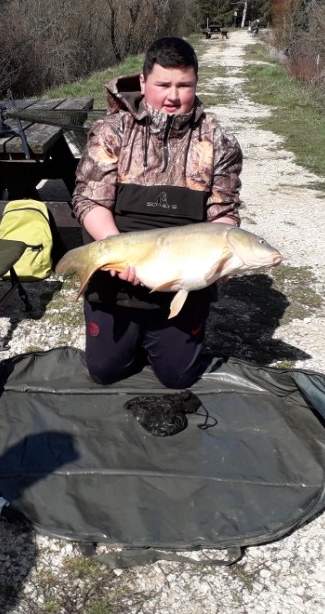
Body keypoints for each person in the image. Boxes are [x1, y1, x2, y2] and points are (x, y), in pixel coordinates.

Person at [71, 36, 243, 389]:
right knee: (105, 372)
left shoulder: (219, 143)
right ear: (144, 81)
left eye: (185, 86)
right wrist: (118, 251)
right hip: (121, 272)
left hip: (183, 275)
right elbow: (89, 201)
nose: (173, 97)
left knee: (177, 377)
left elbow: (224, 213)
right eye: (163, 84)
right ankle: (127, 336)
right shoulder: (111, 131)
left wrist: (224, 256)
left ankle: (163, 339)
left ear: (196, 84)